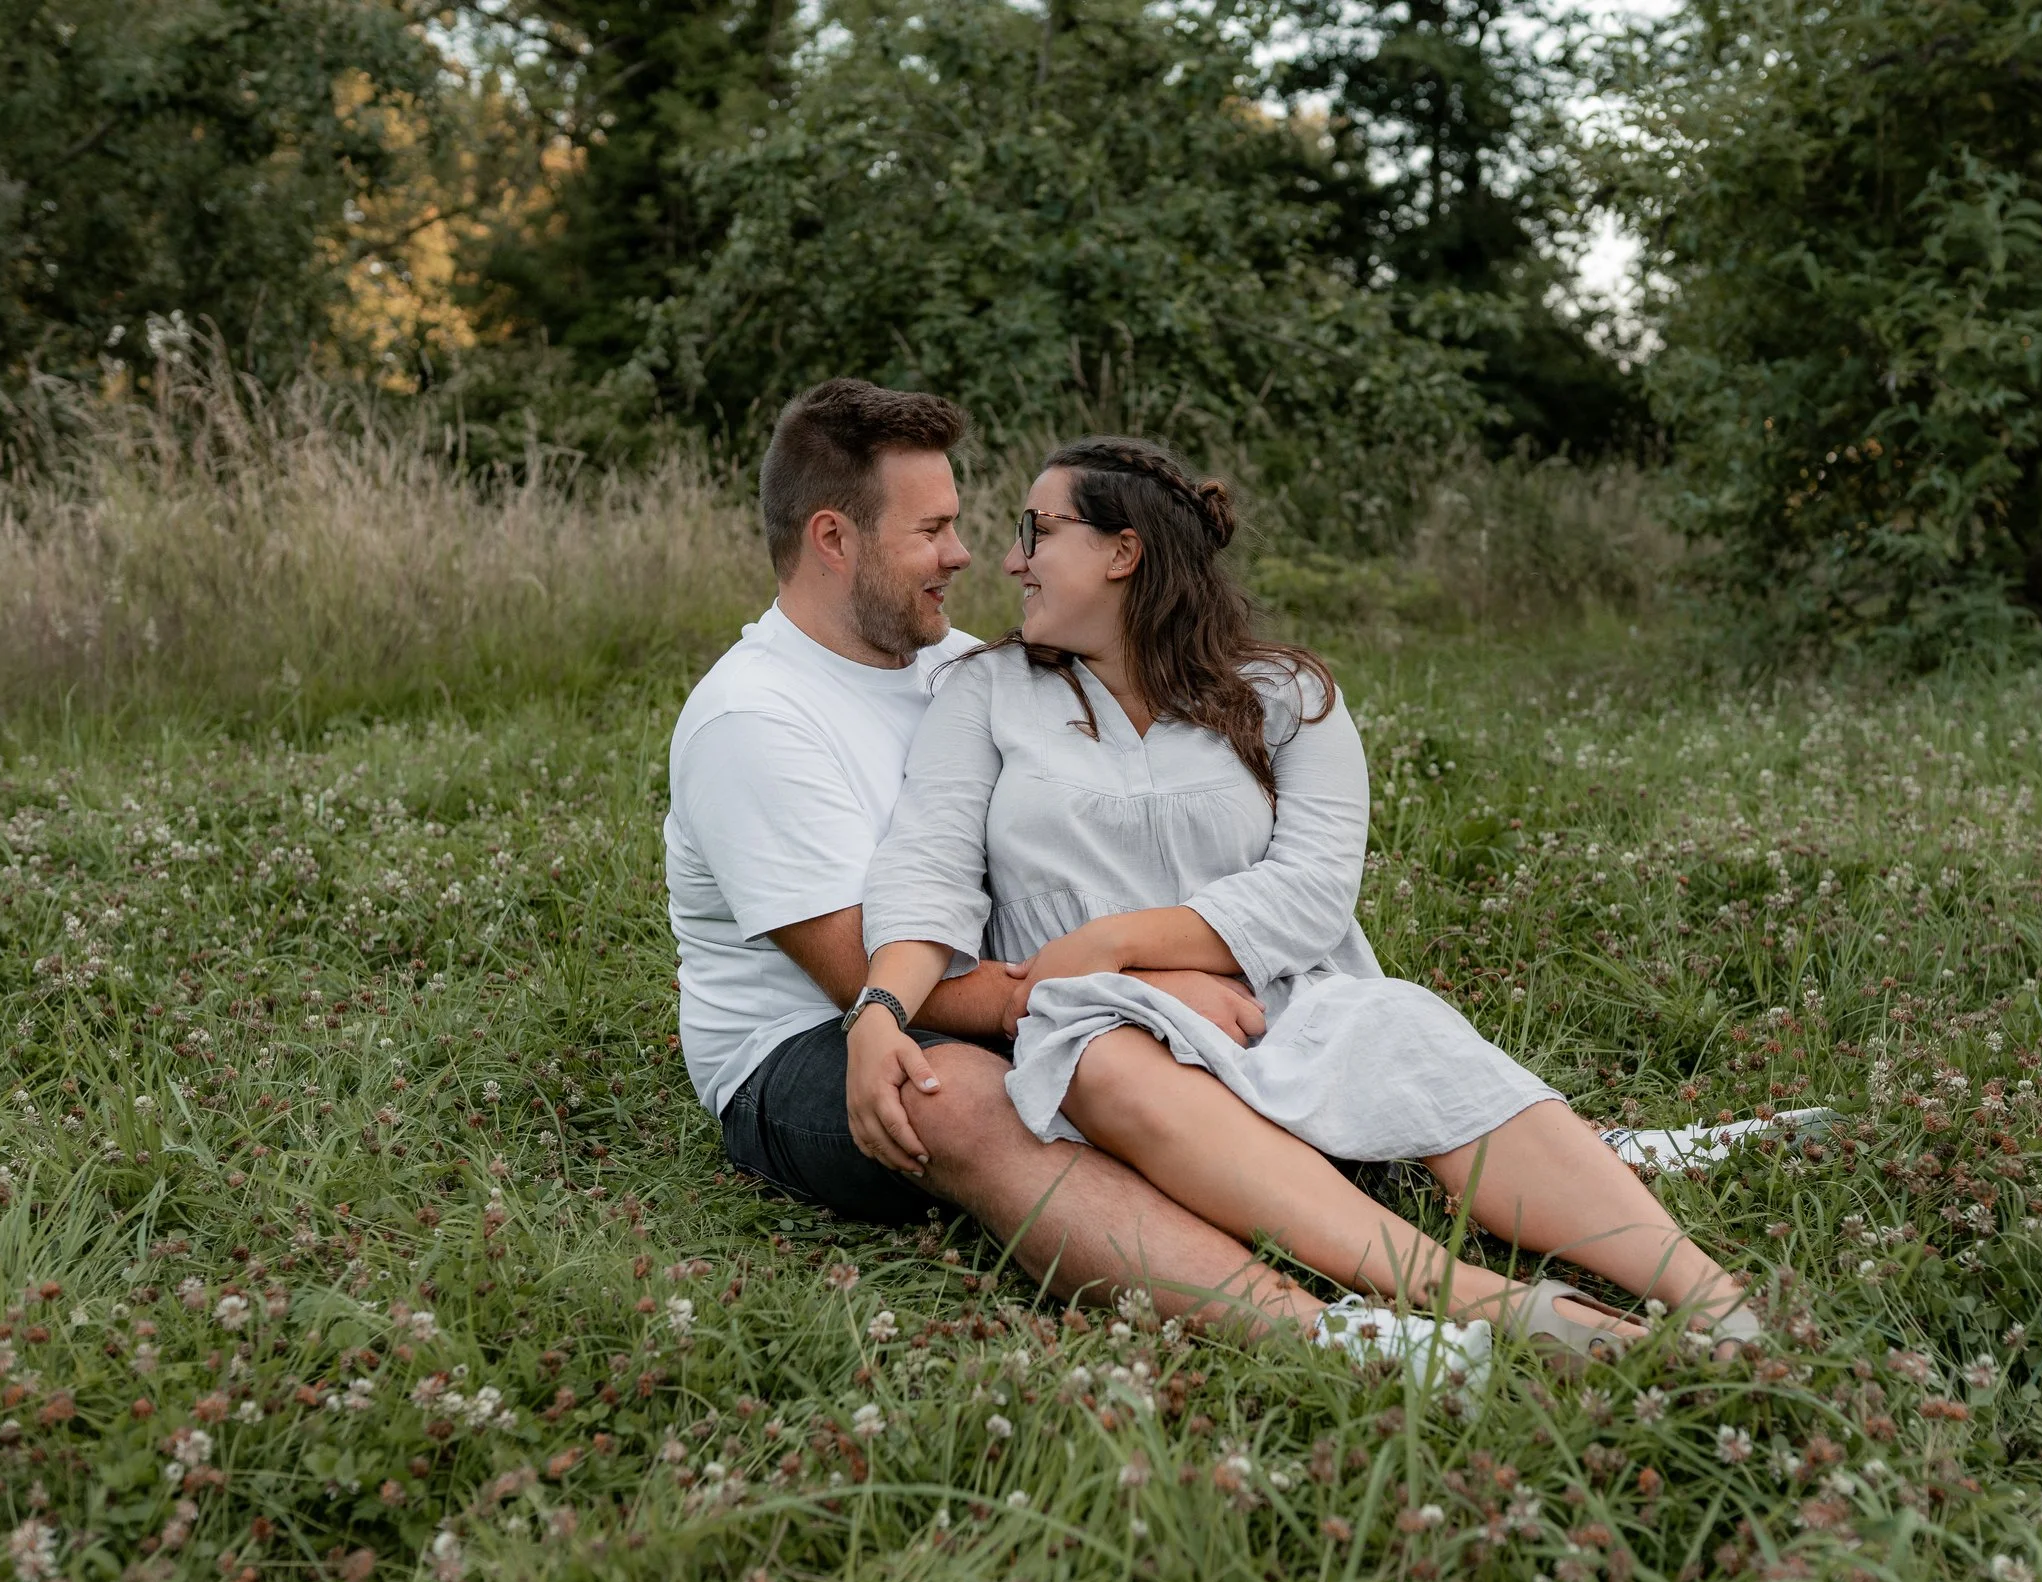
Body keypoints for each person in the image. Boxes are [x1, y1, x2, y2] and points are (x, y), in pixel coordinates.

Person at [846, 436, 1761, 1366]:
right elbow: (928, 868)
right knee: (1102, 1063)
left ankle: (1716, 1302)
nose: (1010, 560)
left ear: (1123, 551)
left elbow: (1314, 888)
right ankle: (1499, 1304)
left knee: (1403, 1025)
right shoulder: (986, 691)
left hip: (1282, 997)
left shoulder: (1285, 693)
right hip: (1098, 1024)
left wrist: (1118, 941)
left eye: (1035, 530)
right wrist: (882, 1007)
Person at [665, 379, 1335, 1336]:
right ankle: (1324, 1329)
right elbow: (861, 979)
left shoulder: (967, 669)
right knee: (964, 1100)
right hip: (814, 1043)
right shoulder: (754, 720)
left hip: (1026, 988)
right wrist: (1131, 986)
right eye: (931, 529)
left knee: (1152, 1045)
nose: (965, 552)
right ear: (834, 539)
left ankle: (1419, 1173)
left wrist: (1151, 968)